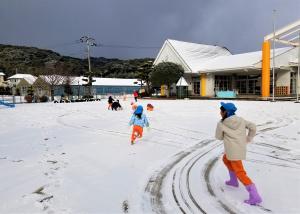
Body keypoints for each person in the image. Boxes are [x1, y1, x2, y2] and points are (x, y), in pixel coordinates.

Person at [215, 102, 262, 205]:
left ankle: (255, 196)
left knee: (240, 172)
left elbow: (219, 137)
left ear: (226, 112)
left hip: (233, 152)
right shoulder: (241, 120)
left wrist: (223, 131)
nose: (220, 112)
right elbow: (253, 127)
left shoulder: (221, 124)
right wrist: (248, 138)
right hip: (238, 149)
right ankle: (233, 181)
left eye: (221, 110)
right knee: (225, 159)